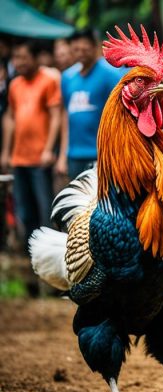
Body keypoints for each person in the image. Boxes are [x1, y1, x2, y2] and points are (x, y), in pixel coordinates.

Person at [1, 40, 61, 248]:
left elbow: (56, 116)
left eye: (24, 57)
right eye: (16, 57)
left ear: (36, 58)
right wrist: (6, 152)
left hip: (40, 158)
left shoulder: (48, 80)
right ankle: (31, 254)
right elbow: (10, 117)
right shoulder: (15, 85)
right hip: (19, 157)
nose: (19, 62)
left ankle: (47, 252)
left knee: (44, 208)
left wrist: (48, 150)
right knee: (24, 210)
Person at [57, 30, 124, 180]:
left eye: (85, 49)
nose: (81, 53)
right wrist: (63, 155)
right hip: (74, 154)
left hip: (102, 154)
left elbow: (121, 114)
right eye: (76, 50)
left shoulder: (111, 75)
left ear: (95, 48)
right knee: (77, 201)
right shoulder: (67, 77)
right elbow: (66, 115)